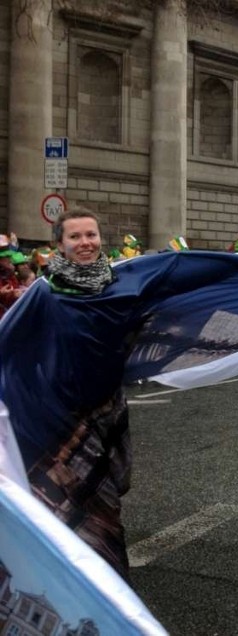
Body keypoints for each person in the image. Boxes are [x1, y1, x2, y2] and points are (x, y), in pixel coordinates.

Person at [25, 207, 133, 578]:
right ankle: (90, 586)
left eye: (91, 235)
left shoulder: (119, 285)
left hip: (109, 410)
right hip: (63, 416)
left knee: (108, 496)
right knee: (77, 502)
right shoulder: (43, 292)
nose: (85, 243)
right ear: (60, 244)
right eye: (75, 236)